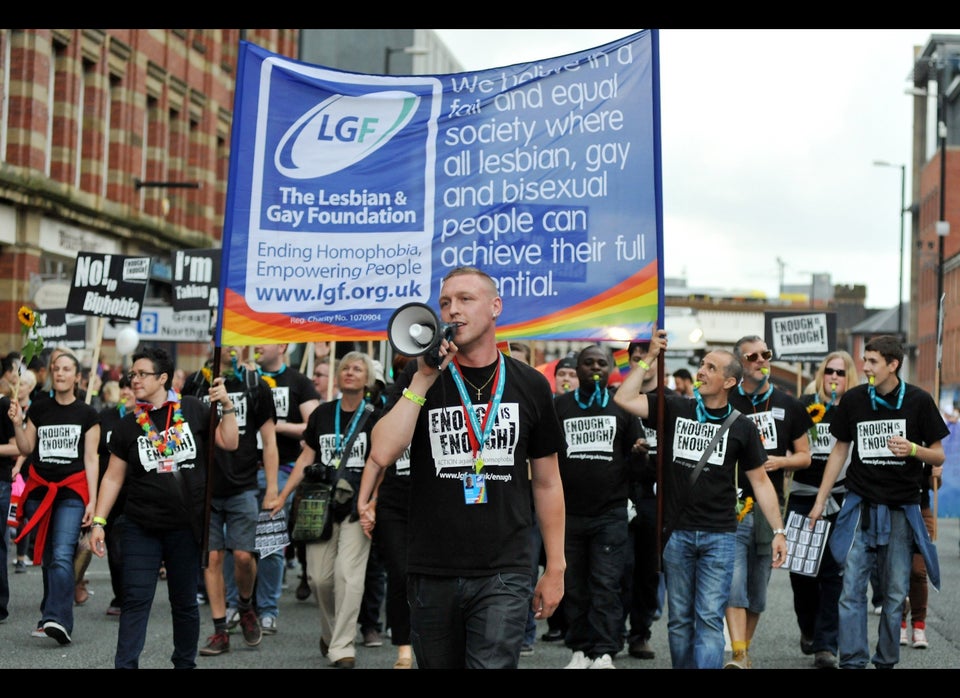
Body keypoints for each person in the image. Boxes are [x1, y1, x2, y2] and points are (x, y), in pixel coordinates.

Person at [359, 265, 567, 669]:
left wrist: (555, 566)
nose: (452, 311)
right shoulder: (418, 377)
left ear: (495, 307)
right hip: (431, 567)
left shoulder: (530, 384)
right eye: (445, 303)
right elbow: (382, 452)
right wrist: (420, 381)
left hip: (505, 568)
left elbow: (547, 483)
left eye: (465, 300)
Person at [614, 330, 787, 669]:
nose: (702, 371)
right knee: (679, 621)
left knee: (708, 619)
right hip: (676, 533)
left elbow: (761, 482)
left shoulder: (742, 427)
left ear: (729, 382)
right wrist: (648, 357)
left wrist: (779, 530)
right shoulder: (673, 407)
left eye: (711, 367)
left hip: (721, 536)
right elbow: (624, 397)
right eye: (702, 365)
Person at [89, 346, 239, 669]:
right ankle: (125, 665)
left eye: (142, 374)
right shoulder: (129, 424)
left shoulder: (195, 409)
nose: (135, 380)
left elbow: (229, 442)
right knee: (136, 601)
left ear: (163, 378)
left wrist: (226, 405)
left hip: (186, 526)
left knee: (183, 602)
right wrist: (99, 521)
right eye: (133, 375)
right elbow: (113, 478)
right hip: (141, 525)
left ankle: (184, 663)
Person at [809, 334, 947, 670]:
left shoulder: (919, 401)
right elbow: (839, 450)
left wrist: (913, 450)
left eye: (872, 361)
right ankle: (853, 662)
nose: (865, 366)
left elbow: (938, 454)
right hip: (860, 506)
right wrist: (820, 500)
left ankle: (885, 660)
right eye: (864, 359)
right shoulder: (855, 400)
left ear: (892, 365)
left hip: (902, 509)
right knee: (851, 590)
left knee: (896, 593)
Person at [268, 350, 380, 669]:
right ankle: (331, 635)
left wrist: (373, 502)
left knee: (349, 576)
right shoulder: (322, 414)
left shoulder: (376, 417)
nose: (350, 373)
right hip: (319, 503)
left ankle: (343, 647)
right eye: (345, 368)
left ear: (367, 379)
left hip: (357, 506)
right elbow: (306, 458)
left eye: (358, 369)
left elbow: (382, 463)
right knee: (319, 580)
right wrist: (282, 495)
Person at [725, 335, 812, 669]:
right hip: (730, 506)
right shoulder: (727, 401)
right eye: (753, 356)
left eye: (766, 354)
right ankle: (738, 654)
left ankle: (743, 648)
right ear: (739, 364)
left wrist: (779, 461)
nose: (762, 360)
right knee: (733, 584)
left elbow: (805, 456)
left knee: (757, 590)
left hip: (768, 506)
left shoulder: (789, 404)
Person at [555, 344, 642, 669]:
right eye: (588, 362)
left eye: (601, 363)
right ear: (576, 369)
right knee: (574, 587)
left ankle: (604, 651)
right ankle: (579, 650)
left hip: (610, 515)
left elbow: (638, 464)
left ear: (610, 370)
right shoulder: (560, 405)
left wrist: (640, 457)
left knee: (606, 585)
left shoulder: (622, 407)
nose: (595, 368)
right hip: (569, 516)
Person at [9, 350, 100, 645]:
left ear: (77, 376)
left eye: (66, 369)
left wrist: (93, 502)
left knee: (62, 554)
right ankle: (50, 614)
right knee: (50, 559)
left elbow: (91, 460)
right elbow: (25, 447)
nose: (60, 373)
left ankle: (59, 619)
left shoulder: (88, 415)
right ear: (50, 374)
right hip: (40, 491)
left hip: (72, 492)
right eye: (56, 369)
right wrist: (16, 421)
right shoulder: (39, 408)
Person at [199, 347, 279, 657]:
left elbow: (270, 441)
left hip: (244, 485)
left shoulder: (255, 385)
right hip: (207, 490)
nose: (228, 351)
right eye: (222, 344)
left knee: (244, 557)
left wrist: (272, 488)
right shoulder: (197, 382)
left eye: (235, 345)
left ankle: (245, 606)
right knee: (213, 559)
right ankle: (220, 631)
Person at [791, 351, 861, 668]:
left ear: (850, 378)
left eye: (841, 373)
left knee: (833, 573)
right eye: (829, 371)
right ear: (821, 374)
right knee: (802, 574)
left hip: (839, 499)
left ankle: (826, 645)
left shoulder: (856, 409)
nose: (834, 377)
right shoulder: (803, 407)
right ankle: (808, 629)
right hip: (804, 496)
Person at [248, 343, 320, 634]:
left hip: (280, 471)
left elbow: (312, 426)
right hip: (242, 472)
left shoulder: (298, 382)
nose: (257, 347)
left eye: (262, 341)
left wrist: (271, 426)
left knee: (270, 543)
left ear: (282, 346)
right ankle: (238, 605)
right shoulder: (246, 379)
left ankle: (266, 609)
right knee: (237, 544)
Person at [361, 353, 415, 668]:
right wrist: (367, 500)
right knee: (399, 572)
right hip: (393, 501)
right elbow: (379, 457)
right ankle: (404, 647)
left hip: (430, 501)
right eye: (400, 368)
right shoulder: (390, 405)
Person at [623, 339, 668, 661]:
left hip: (655, 500)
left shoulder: (672, 402)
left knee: (648, 573)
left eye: (648, 358)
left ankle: (640, 635)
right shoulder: (618, 401)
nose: (644, 363)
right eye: (636, 358)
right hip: (621, 497)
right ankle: (611, 634)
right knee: (616, 571)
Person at [96, 374, 136, 617]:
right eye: (123, 388)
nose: (126, 392)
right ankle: (121, 596)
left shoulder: (147, 418)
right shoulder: (107, 417)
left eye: (131, 388)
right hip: (111, 494)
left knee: (133, 547)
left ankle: (134, 595)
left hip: (137, 494)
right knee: (115, 548)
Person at [899, 459, 938, 651]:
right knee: (897, 571)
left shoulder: (928, 447)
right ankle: (899, 624)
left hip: (922, 511)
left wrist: (936, 474)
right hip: (896, 510)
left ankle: (919, 626)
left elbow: (935, 484)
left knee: (918, 571)